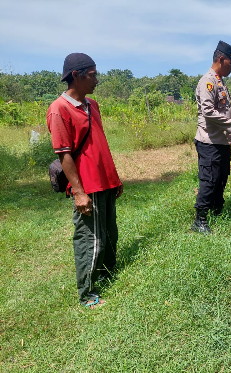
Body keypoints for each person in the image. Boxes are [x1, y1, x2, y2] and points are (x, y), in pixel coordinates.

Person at [46, 53, 123, 309]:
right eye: (92, 75)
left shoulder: (92, 105)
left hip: (106, 181)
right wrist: (79, 192)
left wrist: (114, 178)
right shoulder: (59, 109)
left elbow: (100, 144)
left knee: (109, 233)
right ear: (75, 76)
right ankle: (87, 293)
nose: (96, 80)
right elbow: (64, 154)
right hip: (87, 185)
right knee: (90, 239)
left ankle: (108, 274)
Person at [192, 40, 231, 233]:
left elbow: (224, 113)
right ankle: (200, 220)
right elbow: (208, 112)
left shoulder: (220, 82)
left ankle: (217, 209)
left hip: (222, 140)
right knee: (209, 179)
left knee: (221, 177)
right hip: (209, 141)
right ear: (221, 59)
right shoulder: (207, 82)